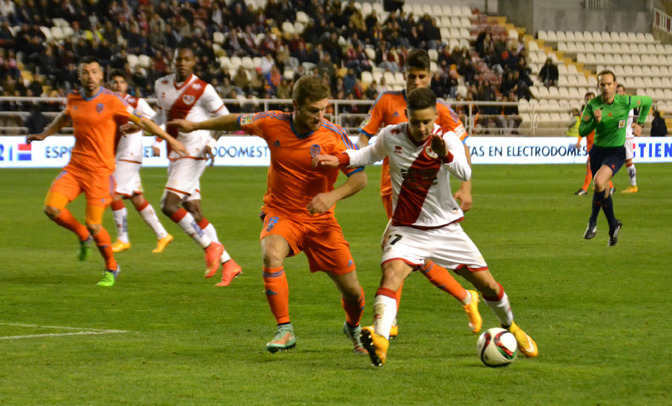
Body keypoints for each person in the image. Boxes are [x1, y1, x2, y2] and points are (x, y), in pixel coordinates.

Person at [314, 87, 538, 367]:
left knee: (488, 285)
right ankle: (381, 341)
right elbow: (369, 154)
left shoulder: (446, 138)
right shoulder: (391, 135)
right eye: (416, 121)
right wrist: (341, 159)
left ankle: (511, 325)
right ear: (407, 115)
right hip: (407, 229)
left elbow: (465, 173)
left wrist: (446, 156)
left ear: (435, 117)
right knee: (391, 273)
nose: (422, 128)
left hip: (445, 229)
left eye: (427, 122)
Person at [169, 75, 370, 355]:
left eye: (324, 109)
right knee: (271, 253)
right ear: (295, 105)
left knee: (353, 292)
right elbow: (235, 120)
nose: (320, 116)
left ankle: (353, 327)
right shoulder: (273, 121)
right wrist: (196, 125)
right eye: (314, 110)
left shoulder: (334, 136)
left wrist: (331, 196)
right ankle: (284, 330)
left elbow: (360, 179)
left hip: (321, 220)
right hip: (281, 212)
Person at [26, 56, 186, 287]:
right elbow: (65, 115)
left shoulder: (112, 101)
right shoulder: (74, 98)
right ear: (79, 75)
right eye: (85, 72)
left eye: (93, 71)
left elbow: (143, 122)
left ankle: (111, 265)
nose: (89, 76)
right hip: (74, 168)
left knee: (95, 224)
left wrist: (170, 139)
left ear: (101, 75)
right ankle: (82, 235)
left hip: (100, 173)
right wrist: (44, 135)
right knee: (51, 208)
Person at [357, 49, 480, 339]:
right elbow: (365, 135)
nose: (416, 81)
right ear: (404, 75)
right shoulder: (387, 101)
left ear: (430, 76)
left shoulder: (439, 109)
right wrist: (359, 155)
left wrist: (466, 187)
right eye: (411, 76)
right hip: (392, 189)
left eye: (421, 76)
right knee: (406, 254)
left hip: (425, 194)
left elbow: (462, 147)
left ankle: (387, 323)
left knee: (400, 253)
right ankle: (465, 298)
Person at [152, 43, 242, 287]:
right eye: (178, 58)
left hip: (195, 151)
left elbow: (226, 120)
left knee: (168, 205)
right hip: (176, 152)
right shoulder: (161, 85)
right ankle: (229, 263)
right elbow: (161, 118)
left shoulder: (204, 89)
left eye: (187, 59)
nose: (182, 62)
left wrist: (212, 143)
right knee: (193, 209)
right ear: (172, 61)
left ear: (193, 63)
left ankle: (210, 247)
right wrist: (149, 132)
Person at [579, 70, 652, 246]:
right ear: (598, 86)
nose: (605, 88)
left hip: (616, 152)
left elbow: (648, 101)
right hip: (597, 152)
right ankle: (613, 225)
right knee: (602, 190)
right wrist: (594, 122)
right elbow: (582, 131)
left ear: (615, 84)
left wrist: (640, 123)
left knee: (598, 182)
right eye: (602, 85)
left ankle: (592, 223)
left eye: (609, 84)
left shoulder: (625, 101)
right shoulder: (593, 105)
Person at [106, 69, 174, 254]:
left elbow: (158, 121)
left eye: (121, 82)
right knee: (137, 199)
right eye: (114, 82)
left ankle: (122, 238)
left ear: (126, 85)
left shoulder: (136, 102)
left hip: (130, 154)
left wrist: (157, 141)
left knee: (112, 193)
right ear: (109, 85)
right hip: (118, 155)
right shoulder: (107, 103)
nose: (118, 85)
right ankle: (162, 235)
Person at [574, 91, 614, 196]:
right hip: (590, 144)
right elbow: (582, 129)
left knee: (591, 165)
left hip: (599, 144)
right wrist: (579, 140)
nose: (589, 101)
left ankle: (584, 188)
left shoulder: (601, 112)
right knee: (597, 167)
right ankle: (611, 186)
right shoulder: (584, 114)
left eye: (590, 99)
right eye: (587, 99)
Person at [616, 84, 639, 193]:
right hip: (621, 136)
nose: (619, 93)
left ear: (624, 92)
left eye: (620, 91)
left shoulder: (625, 105)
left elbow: (622, 122)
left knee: (628, 161)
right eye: (617, 91)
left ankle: (633, 186)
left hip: (625, 137)